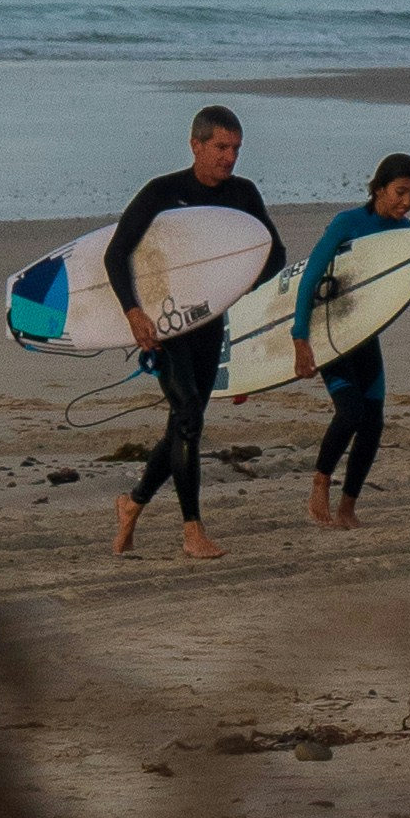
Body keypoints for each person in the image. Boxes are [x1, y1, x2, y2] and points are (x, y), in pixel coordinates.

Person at [106, 104, 284, 563]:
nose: (230, 158)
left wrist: (233, 288)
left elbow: (275, 255)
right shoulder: (164, 193)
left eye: (236, 149)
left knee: (186, 423)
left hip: (208, 322)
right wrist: (133, 313)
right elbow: (116, 254)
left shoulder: (243, 195)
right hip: (164, 324)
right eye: (221, 147)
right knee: (187, 415)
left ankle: (133, 503)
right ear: (196, 145)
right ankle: (192, 532)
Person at [291, 152, 410, 529]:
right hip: (331, 334)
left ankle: (347, 508)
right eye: (400, 192)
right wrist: (300, 337)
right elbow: (310, 277)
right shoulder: (346, 223)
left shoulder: (406, 233)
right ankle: (319, 487)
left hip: (364, 336)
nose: (406, 202)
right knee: (350, 412)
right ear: (378, 188)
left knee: (373, 423)